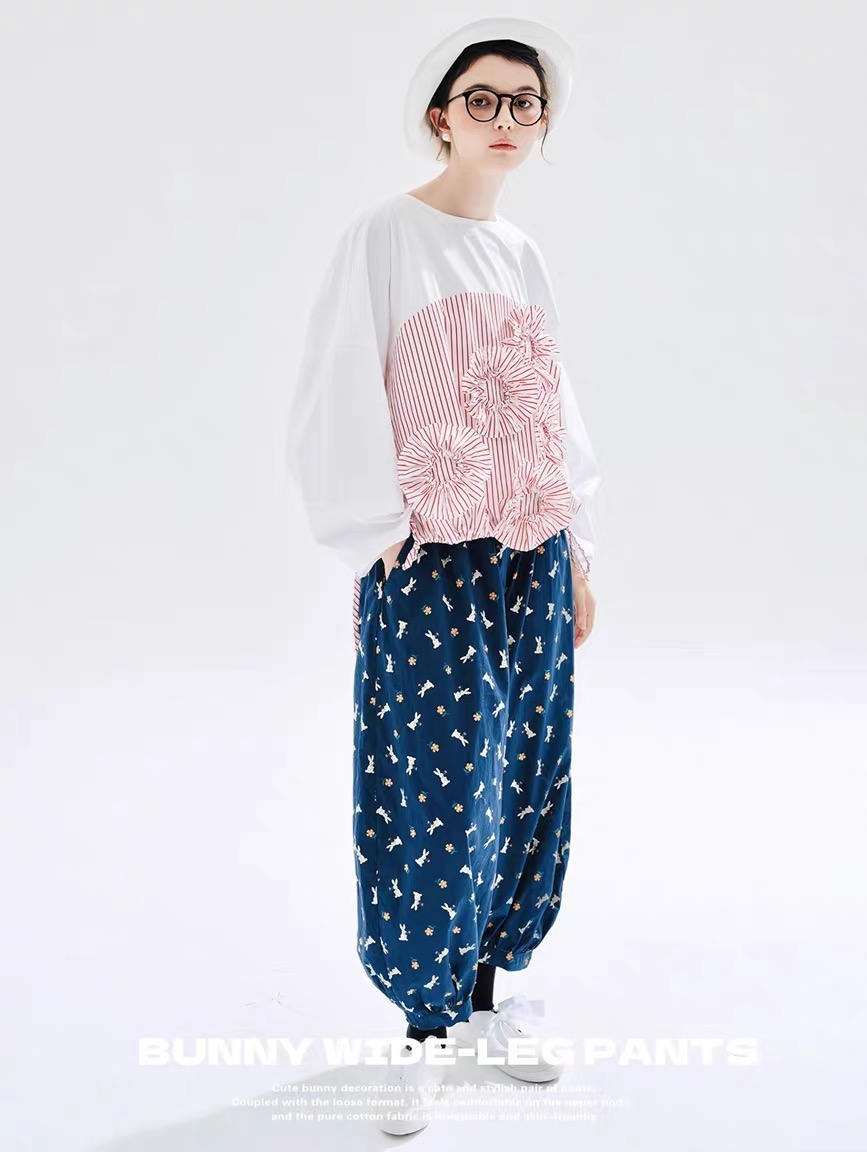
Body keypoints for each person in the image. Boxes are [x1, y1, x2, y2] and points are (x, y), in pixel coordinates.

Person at [286, 17, 602, 1135]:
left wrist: (577, 549)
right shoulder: (387, 236)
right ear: (441, 115)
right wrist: (378, 531)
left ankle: (482, 1004)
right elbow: (338, 382)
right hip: (431, 560)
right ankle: (423, 1030)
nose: (506, 119)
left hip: (530, 556)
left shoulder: (521, 253)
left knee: (524, 777)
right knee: (433, 787)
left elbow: (549, 403)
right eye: (484, 100)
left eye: (526, 103)